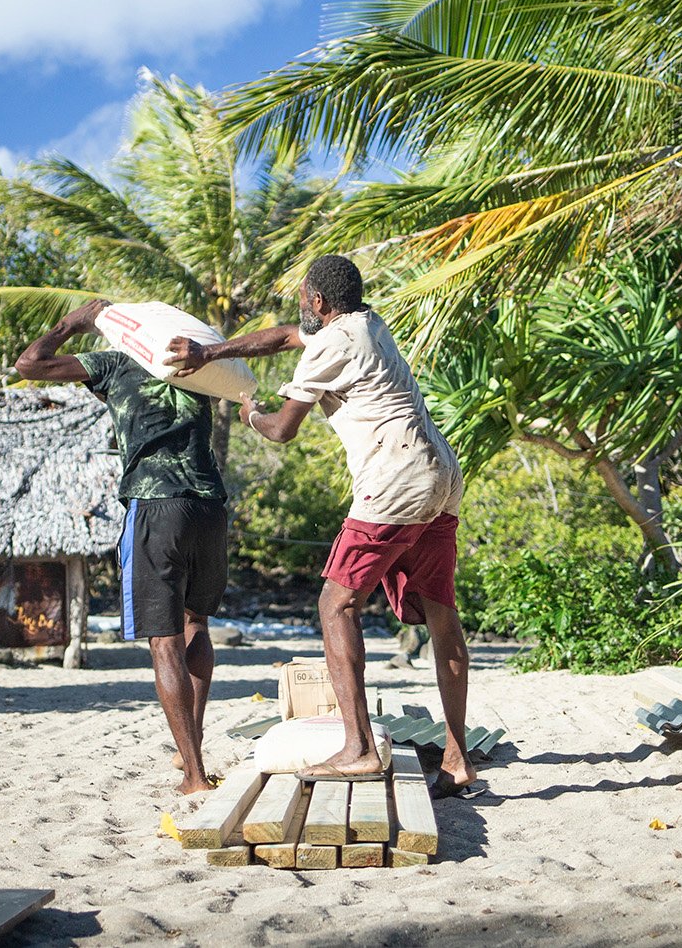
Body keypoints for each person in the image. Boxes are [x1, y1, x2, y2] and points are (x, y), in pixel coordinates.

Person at [166, 255, 477, 796]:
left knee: (336, 604)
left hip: (395, 477)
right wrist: (212, 353)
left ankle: (357, 748)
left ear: (318, 302)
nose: (298, 310)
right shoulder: (367, 323)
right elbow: (288, 336)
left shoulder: (332, 344)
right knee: (441, 611)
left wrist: (250, 416)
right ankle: (456, 759)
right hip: (440, 475)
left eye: (303, 299)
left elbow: (284, 429)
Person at [15, 298, 228, 795]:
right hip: (210, 506)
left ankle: (195, 775)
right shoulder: (194, 364)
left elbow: (29, 364)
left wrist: (77, 320)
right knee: (197, 622)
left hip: (158, 507)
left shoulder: (115, 361)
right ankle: (188, 749)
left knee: (164, 639)